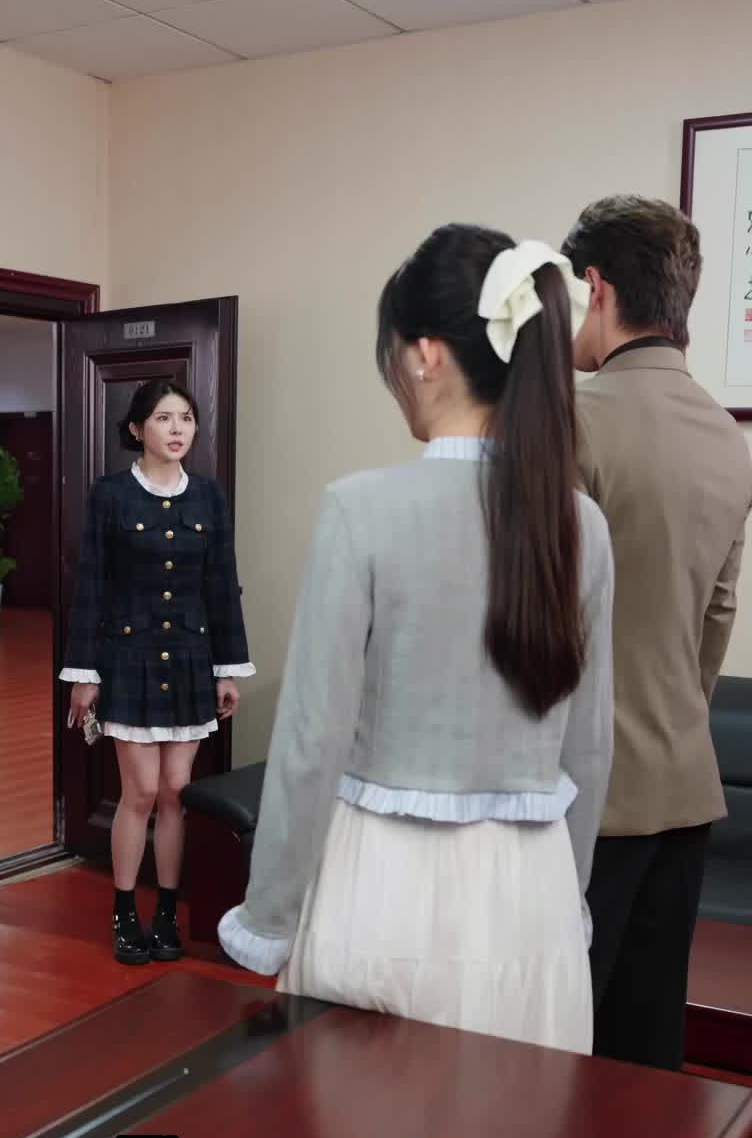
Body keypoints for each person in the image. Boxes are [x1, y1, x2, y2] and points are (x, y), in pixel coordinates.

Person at [219, 225, 614, 1052]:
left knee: (368, 1126)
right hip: (530, 900)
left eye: (394, 355)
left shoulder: (360, 510)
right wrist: (566, 894)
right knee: (519, 1125)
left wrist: (269, 916)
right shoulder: (581, 525)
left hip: (382, 888)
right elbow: (588, 747)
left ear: (428, 354)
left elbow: (310, 742)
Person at [563, 195, 752, 1071]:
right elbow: (717, 615)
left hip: (585, 797)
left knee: (554, 1048)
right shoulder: (726, 434)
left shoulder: (573, 419)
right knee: (645, 1055)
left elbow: (541, 616)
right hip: (683, 786)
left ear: (598, 288)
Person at [62, 378, 253, 965]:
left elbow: (221, 585)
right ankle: (125, 913)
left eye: (186, 418)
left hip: (193, 659)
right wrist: (84, 673)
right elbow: (91, 586)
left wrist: (227, 669)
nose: (177, 429)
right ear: (136, 429)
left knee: (175, 792)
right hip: (129, 659)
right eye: (165, 418)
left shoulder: (209, 497)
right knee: (140, 791)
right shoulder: (111, 494)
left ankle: (168, 913)